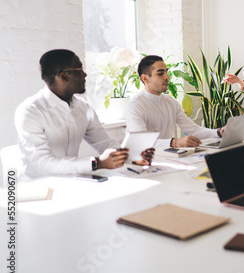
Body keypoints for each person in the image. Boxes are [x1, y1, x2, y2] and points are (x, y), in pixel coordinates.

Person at [15, 49, 154, 181]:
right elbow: (42, 164)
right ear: (63, 76)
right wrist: (96, 163)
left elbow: (104, 143)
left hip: (73, 181)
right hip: (37, 189)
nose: (85, 75)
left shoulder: (84, 108)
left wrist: (133, 154)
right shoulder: (30, 111)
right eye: (80, 69)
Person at [126, 55, 224, 148]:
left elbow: (194, 130)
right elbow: (141, 141)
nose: (167, 77)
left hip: (167, 156)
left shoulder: (170, 101)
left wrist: (219, 132)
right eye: (160, 73)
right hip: (142, 162)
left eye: (166, 72)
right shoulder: (135, 105)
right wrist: (175, 142)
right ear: (145, 78)